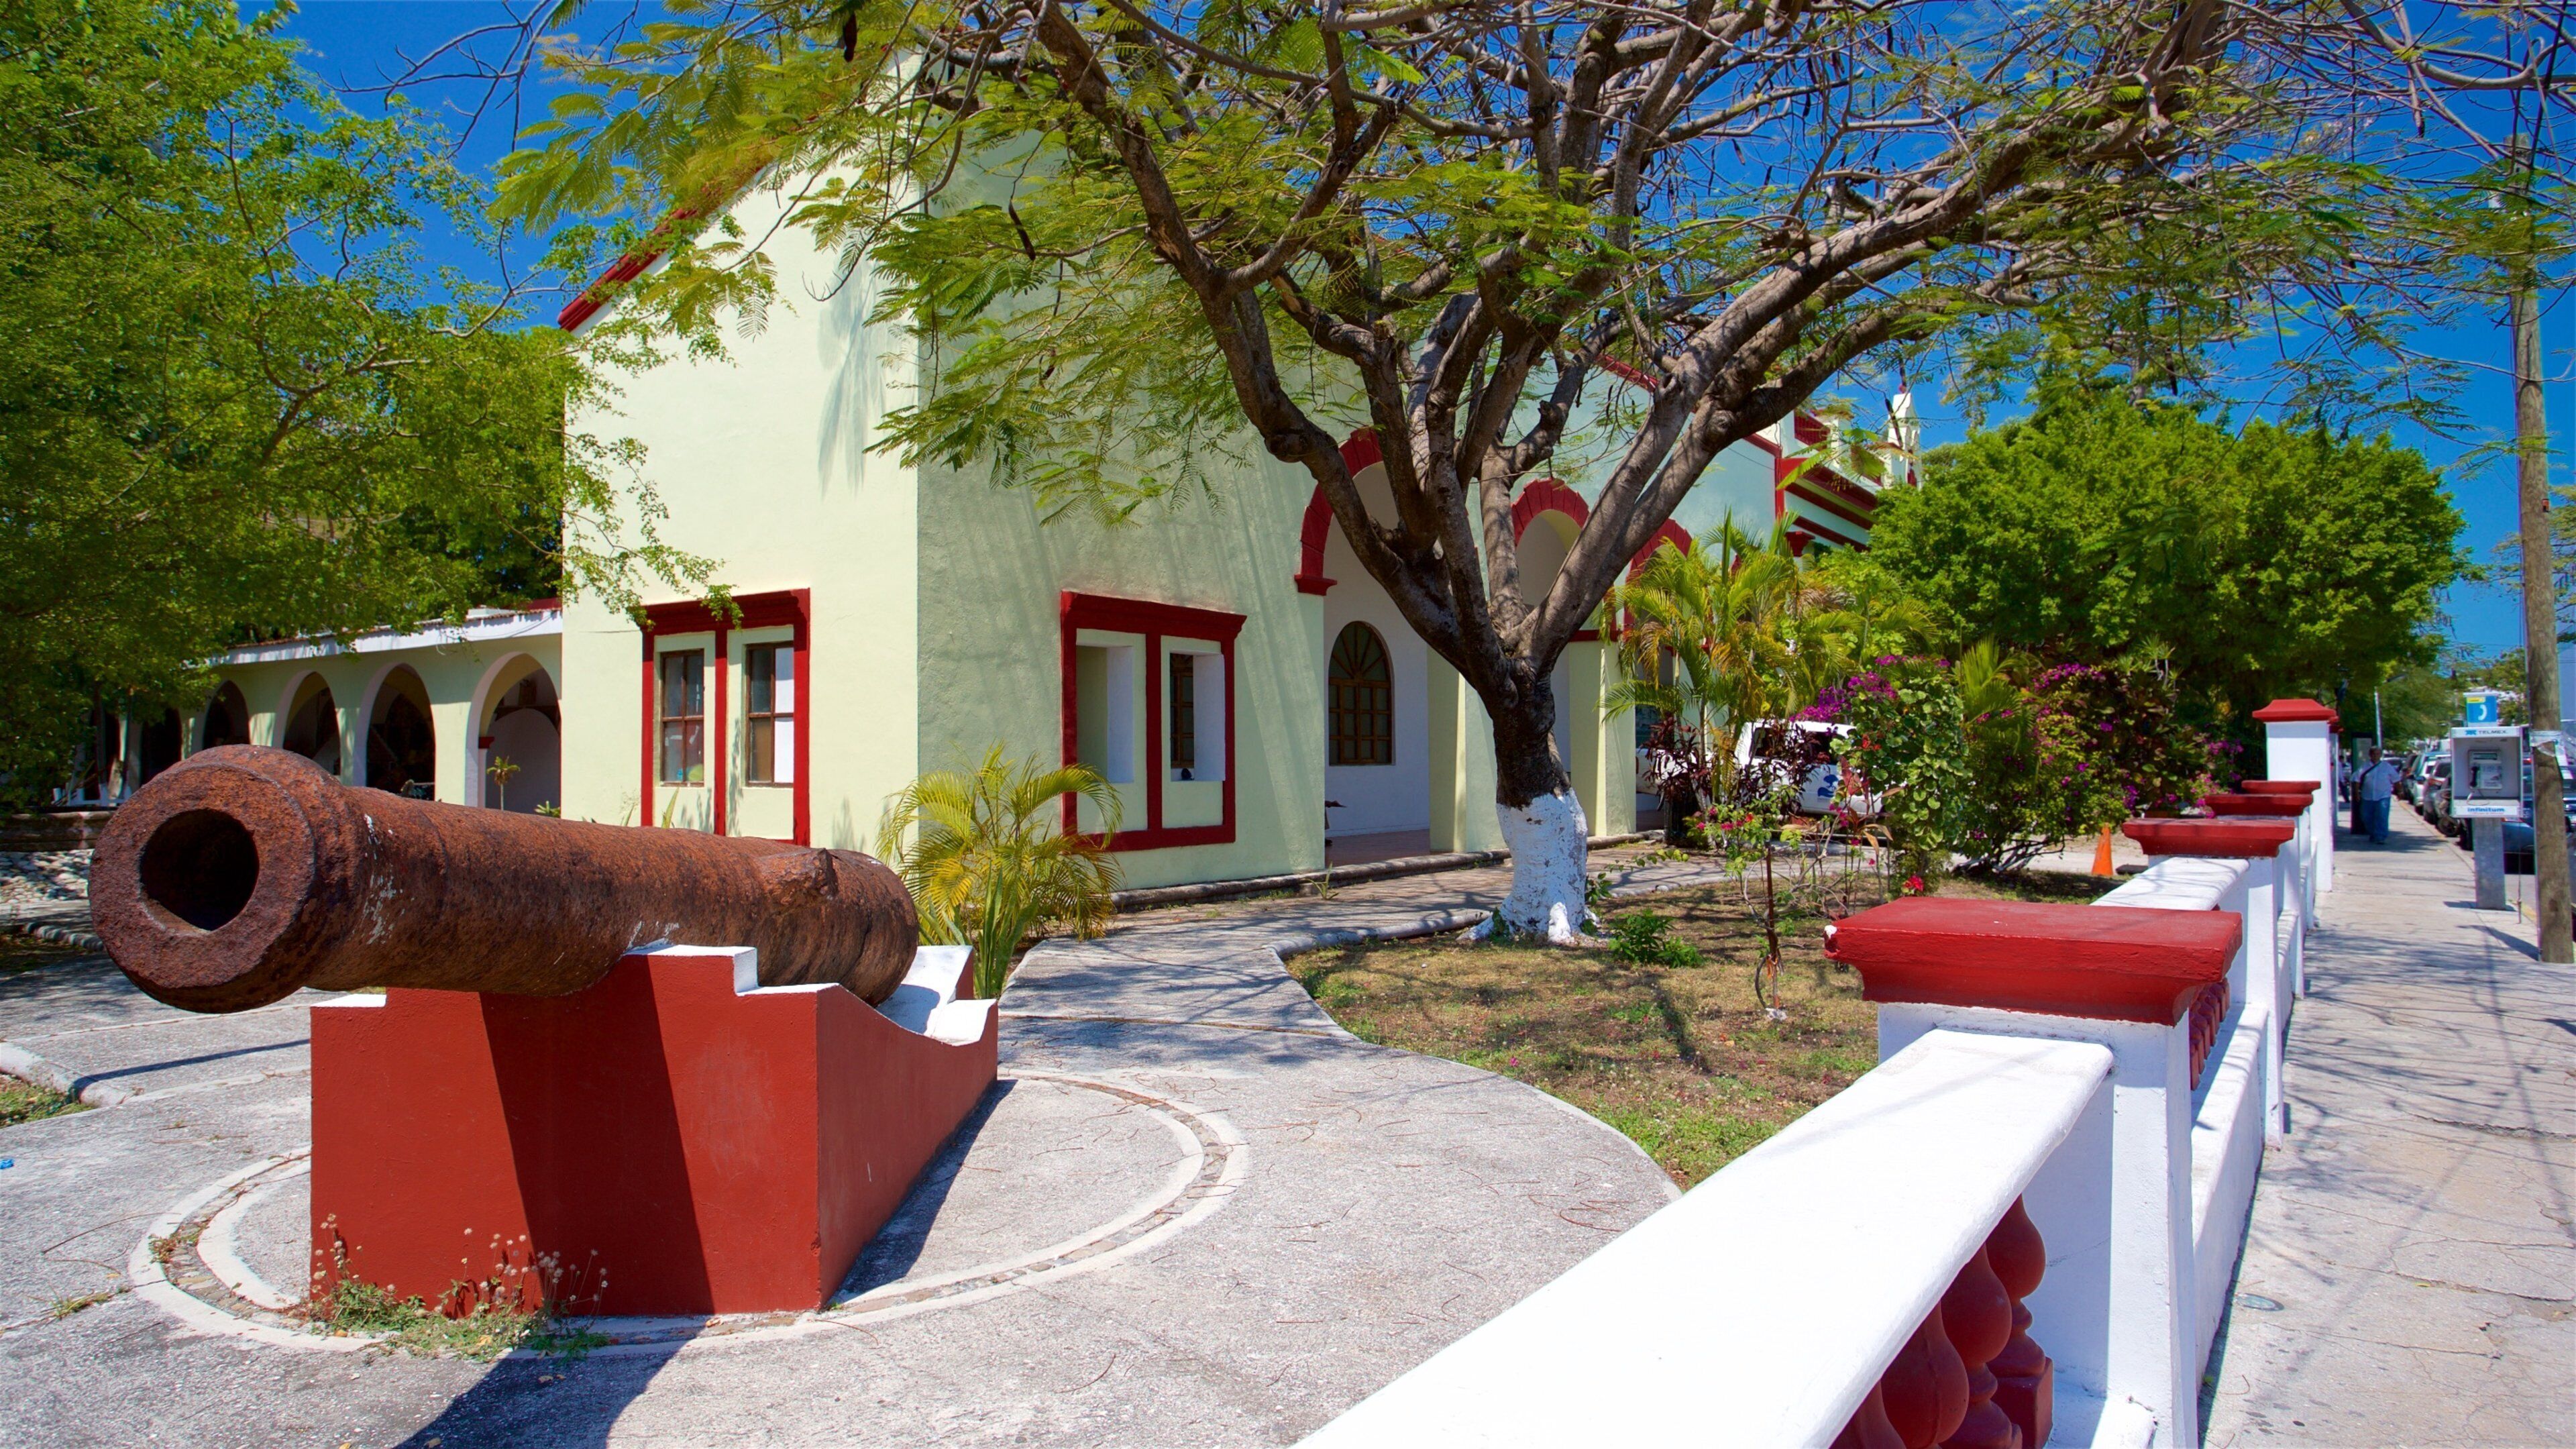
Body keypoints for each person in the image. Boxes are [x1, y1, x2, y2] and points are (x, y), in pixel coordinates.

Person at [2356, 745, 2402, 845]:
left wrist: (2399, 792)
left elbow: (2396, 780)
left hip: (2383, 796)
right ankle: (2373, 833)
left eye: (2378, 754)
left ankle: (2380, 836)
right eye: (2374, 754)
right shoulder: (2364, 767)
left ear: (2381, 755)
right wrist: (2356, 794)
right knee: (2366, 817)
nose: (2376, 756)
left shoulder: (2387, 766)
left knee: (2382, 816)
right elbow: (2355, 780)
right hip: (2367, 796)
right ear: (2370, 755)